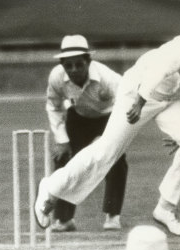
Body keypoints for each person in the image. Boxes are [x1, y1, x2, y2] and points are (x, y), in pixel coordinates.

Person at [35, 7, 180, 236]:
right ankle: (50, 188)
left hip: (170, 99)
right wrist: (139, 101)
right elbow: (161, 66)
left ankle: (166, 208)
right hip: (138, 91)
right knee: (105, 153)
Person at [46, 35, 127, 232]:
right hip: (79, 117)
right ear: (62, 65)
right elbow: (53, 106)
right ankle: (64, 219)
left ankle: (112, 215)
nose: (74, 70)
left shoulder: (108, 78)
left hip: (109, 117)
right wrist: (62, 140)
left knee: (115, 160)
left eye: (79, 65)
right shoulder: (56, 77)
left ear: (88, 62)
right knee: (63, 158)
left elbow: (126, 102)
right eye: (69, 65)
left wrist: (109, 136)